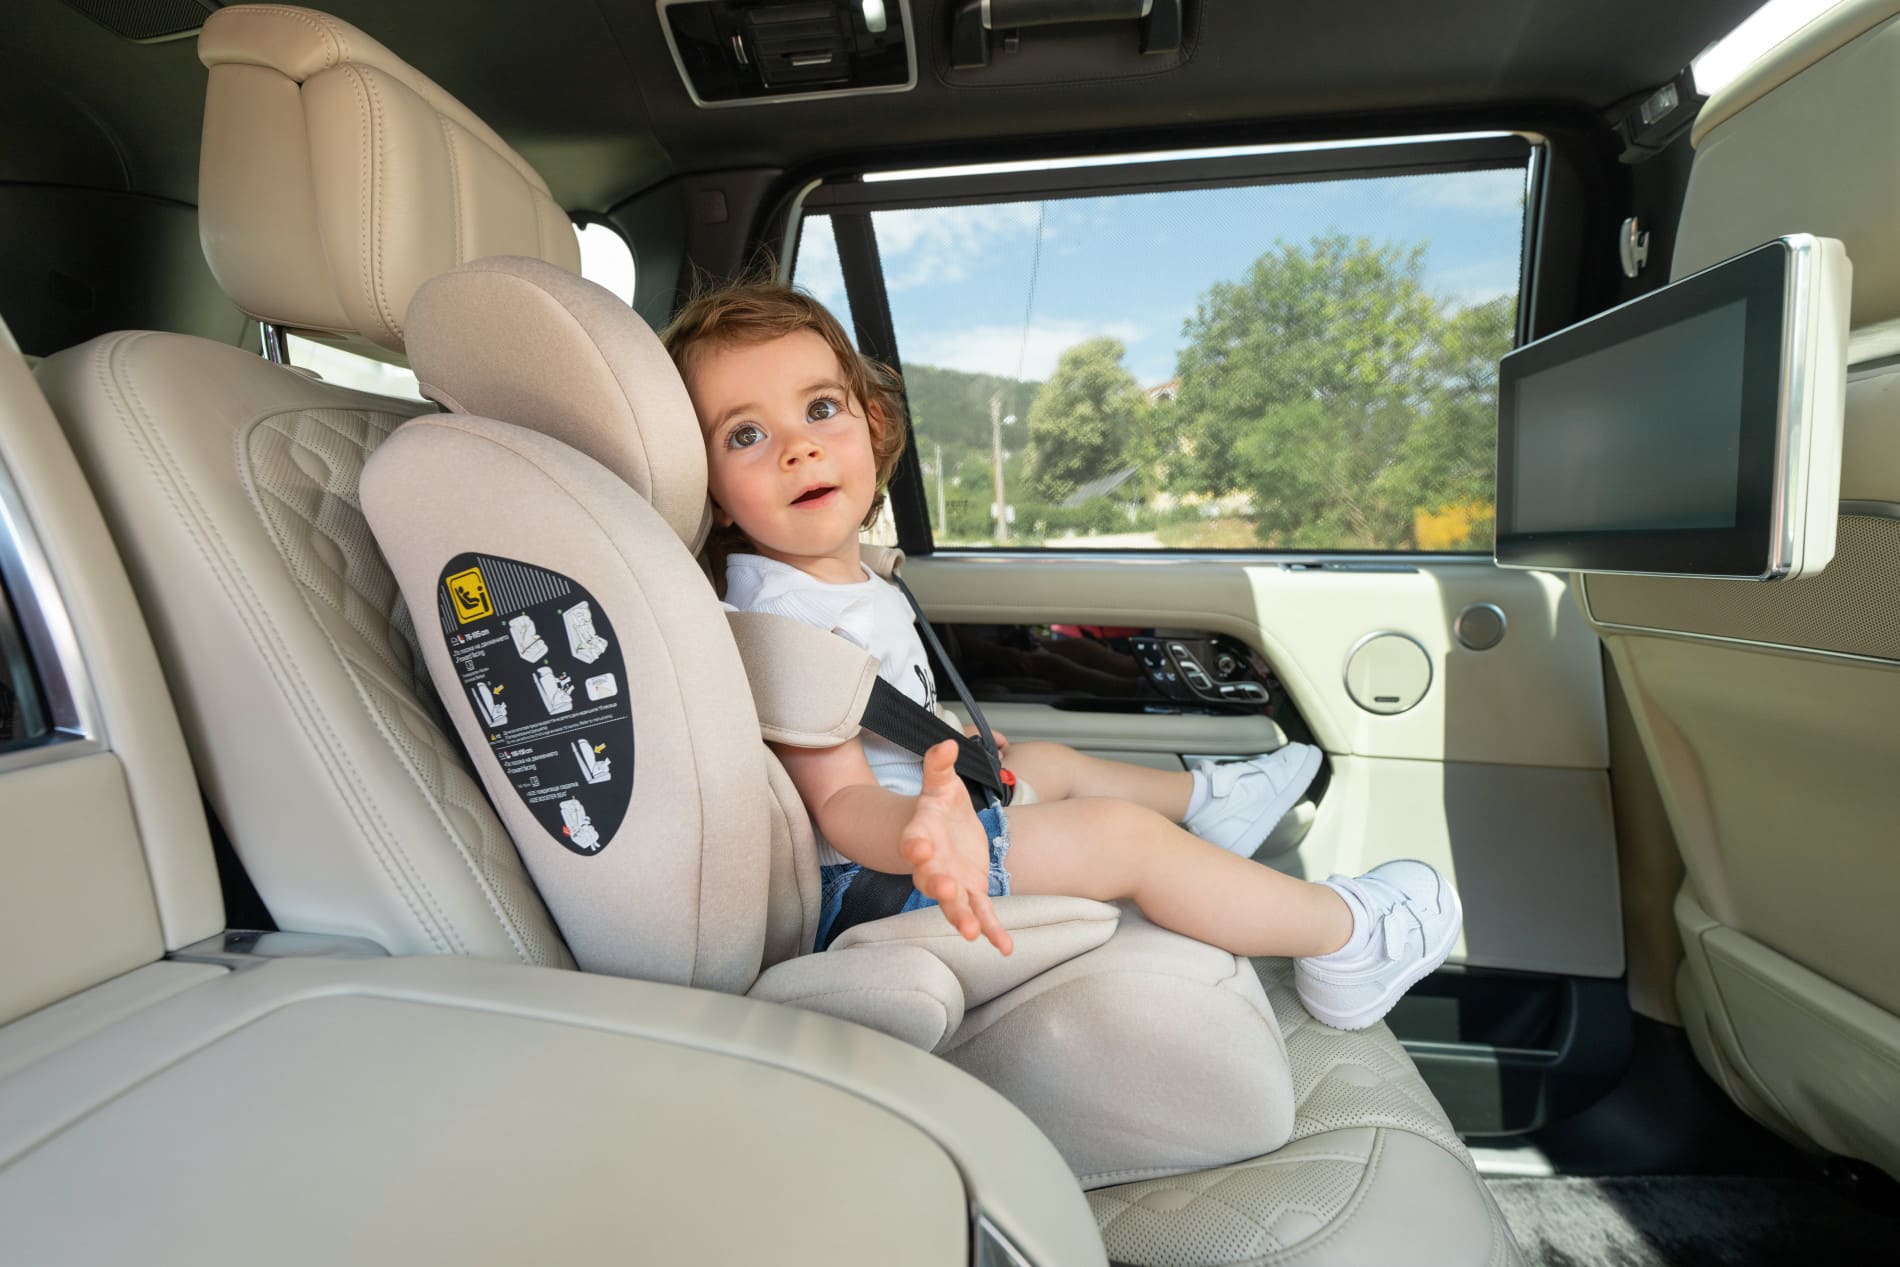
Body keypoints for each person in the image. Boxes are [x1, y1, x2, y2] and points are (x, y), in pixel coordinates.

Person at [660, 280, 1461, 1030]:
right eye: (746, 434)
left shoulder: (841, 582)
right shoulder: (779, 620)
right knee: (1122, 837)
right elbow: (839, 802)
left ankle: (1208, 802)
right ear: (711, 491)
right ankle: (1347, 935)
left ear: (871, 424)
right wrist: (921, 829)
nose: (797, 448)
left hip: (920, 830)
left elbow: (874, 711)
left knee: (1045, 761)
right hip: (881, 880)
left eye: (820, 408)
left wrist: (946, 750)